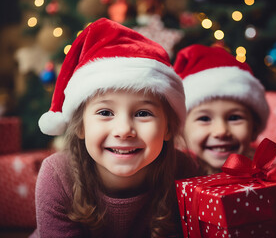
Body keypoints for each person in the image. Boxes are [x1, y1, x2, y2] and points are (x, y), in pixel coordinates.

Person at [30, 18, 198, 238]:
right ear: (80, 126)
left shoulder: (183, 171)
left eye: (143, 113)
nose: (124, 130)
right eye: (105, 113)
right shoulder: (58, 175)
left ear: (168, 128)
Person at [173, 44, 269, 174]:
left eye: (234, 118)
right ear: (181, 131)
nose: (221, 131)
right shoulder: (172, 176)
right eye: (204, 118)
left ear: (255, 128)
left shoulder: (264, 173)